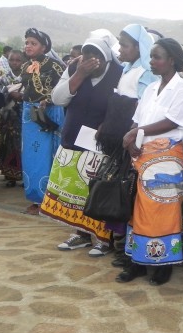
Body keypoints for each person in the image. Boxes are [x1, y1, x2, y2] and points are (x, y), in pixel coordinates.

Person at [116, 38, 183, 285]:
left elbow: (172, 122)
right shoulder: (150, 88)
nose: (152, 61)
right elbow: (137, 120)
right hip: (142, 155)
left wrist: (134, 134)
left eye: (157, 56)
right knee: (138, 208)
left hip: (167, 158)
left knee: (164, 208)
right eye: (151, 56)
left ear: (171, 59)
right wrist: (132, 139)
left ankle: (164, 264)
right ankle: (138, 261)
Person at [41, 38, 123, 255]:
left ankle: (103, 239)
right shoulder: (74, 68)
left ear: (106, 59)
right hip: (72, 138)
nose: (90, 61)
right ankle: (81, 233)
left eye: (96, 57)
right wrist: (79, 74)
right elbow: (58, 98)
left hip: (101, 145)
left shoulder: (120, 73)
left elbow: (125, 106)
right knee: (73, 191)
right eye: (86, 56)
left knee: (96, 191)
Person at [96, 24, 156, 265]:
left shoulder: (146, 73)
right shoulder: (128, 69)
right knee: (115, 189)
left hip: (131, 143)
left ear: (139, 46)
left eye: (125, 44)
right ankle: (118, 240)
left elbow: (143, 112)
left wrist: (134, 143)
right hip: (117, 141)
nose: (120, 49)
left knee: (127, 193)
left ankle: (126, 248)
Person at [20, 28, 65, 215]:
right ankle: (35, 197)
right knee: (30, 155)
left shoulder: (55, 66)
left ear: (44, 47)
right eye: (27, 42)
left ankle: (51, 200)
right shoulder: (25, 66)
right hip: (29, 115)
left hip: (49, 113)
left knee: (48, 155)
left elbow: (64, 89)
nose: (28, 46)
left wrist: (49, 99)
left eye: (33, 43)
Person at [0, 50, 25, 186]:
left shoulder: (28, 77)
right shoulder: (3, 78)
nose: (15, 63)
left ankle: (25, 174)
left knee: (23, 146)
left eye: (18, 60)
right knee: (9, 145)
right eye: (12, 60)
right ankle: (10, 176)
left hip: (24, 117)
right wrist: (8, 93)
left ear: (23, 61)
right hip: (9, 118)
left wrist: (22, 96)